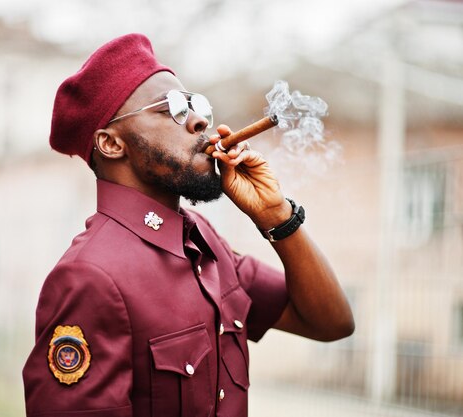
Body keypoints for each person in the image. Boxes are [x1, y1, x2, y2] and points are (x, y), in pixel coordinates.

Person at [22, 33, 354, 417]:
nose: (199, 121)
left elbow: (331, 323)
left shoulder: (203, 242)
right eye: (170, 109)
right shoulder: (90, 276)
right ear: (111, 144)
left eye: (195, 105)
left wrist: (277, 217)